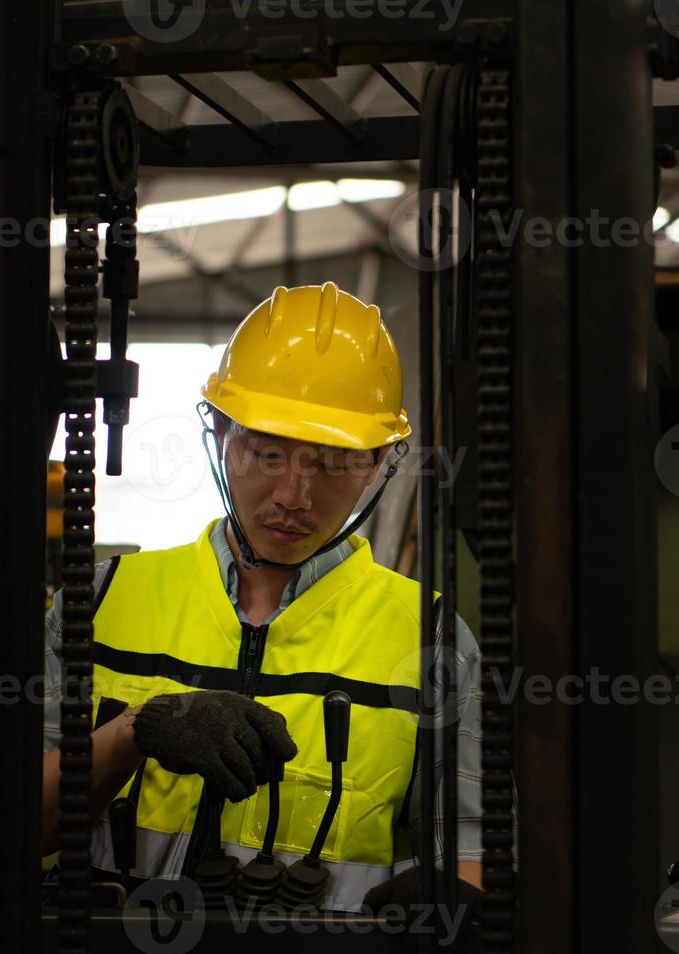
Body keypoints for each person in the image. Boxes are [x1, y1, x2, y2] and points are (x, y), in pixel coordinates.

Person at [39, 282, 497, 914]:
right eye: (267, 451)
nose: (293, 494)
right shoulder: (100, 604)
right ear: (220, 432)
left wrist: (453, 900)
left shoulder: (431, 638)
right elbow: (5, 828)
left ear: (380, 464)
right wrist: (131, 733)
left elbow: (471, 863)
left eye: (334, 462)